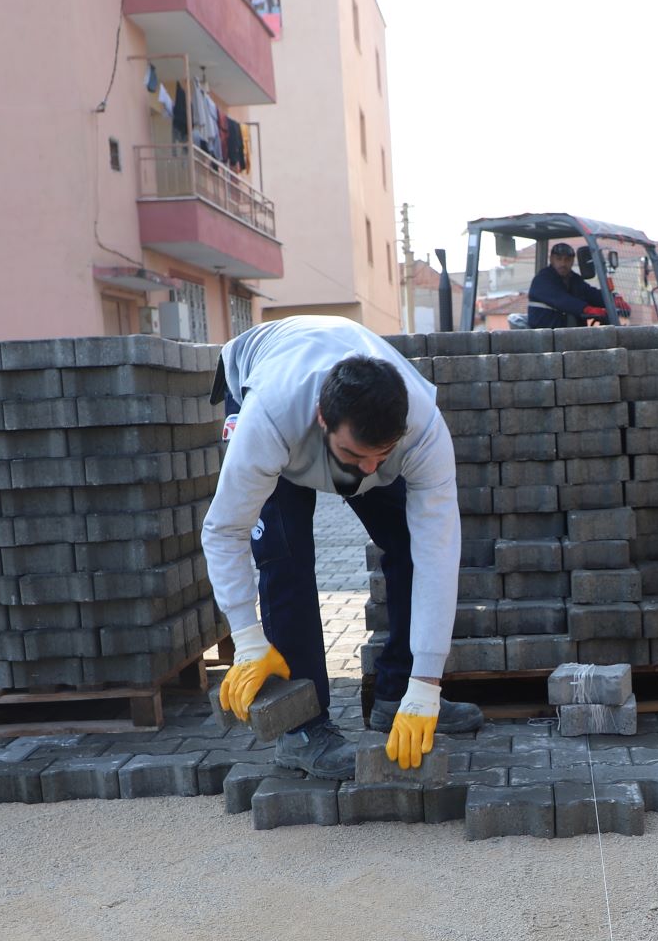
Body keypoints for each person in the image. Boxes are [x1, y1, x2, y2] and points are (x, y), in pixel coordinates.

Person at [204, 316, 485, 780]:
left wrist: (427, 681)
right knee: (285, 555)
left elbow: (438, 552)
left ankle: (397, 695)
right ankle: (303, 730)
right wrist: (249, 640)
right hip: (262, 370)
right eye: (357, 457)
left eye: (383, 455)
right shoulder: (271, 415)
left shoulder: (423, 429)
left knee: (412, 544)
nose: (371, 467)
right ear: (322, 421)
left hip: (337, 401)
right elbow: (223, 530)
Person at [525, 242, 611, 329]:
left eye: (567, 259)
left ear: (572, 261)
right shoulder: (542, 279)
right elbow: (561, 299)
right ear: (551, 259)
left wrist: (611, 299)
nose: (563, 264)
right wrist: (585, 309)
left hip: (571, 336)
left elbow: (590, 293)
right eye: (559, 259)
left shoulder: (574, 279)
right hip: (546, 336)